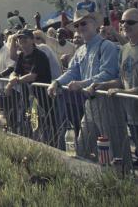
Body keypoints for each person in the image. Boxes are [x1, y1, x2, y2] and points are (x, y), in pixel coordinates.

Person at [48, 10, 121, 162]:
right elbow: (72, 72)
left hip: (107, 102)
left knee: (116, 149)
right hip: (89, 103)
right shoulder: (80, 50)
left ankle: (125, 181)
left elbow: (108, 73)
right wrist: (56, 82)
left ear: (95, 24)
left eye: (83, 23)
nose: (80, 27)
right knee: (82, 147)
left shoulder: (107, 46)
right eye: (77, 25)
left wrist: (81, 83)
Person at [87, 8, 138, 179]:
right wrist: (103, 84)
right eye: (122, 21)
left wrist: (125, 92)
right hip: (133, 117)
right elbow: (122, 79)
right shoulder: (124, 49)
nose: (124, 25)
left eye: (130, 22)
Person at [5, 29, 52, 136]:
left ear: (32, 40)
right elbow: (15, 72)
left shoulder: (40, 55)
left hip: (42, 97)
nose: (22, 40)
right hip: (28, 97)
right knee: (30, 122)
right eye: (20, 38)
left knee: (45, 125)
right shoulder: (21, 56)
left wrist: (14, 81)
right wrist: (12, 79)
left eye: (25, 37)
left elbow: (32, 76)